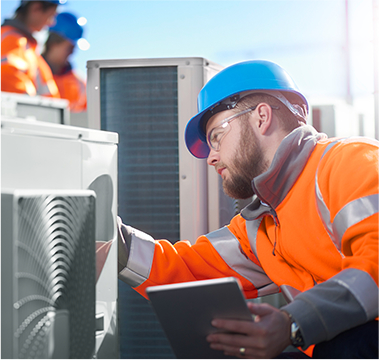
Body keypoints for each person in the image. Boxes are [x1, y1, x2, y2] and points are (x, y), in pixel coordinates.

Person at [99, 60, 378, 358]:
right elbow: (189, 271)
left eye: (216, 138)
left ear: (261, 117)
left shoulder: (351, 163)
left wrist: (292, 322)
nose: (211, 158)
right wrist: (115, 242)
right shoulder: (261, 224)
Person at [1, 0, 61, 98]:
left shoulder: (28, 47)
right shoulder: (12, 39)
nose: (51, 23)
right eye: (51, 16)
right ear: (36, 8)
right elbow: (8, 81)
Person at [41, 11, 87, 112]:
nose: (72, 53)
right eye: (69, 48)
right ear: (53, 43)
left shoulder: (79, 83)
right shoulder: (31, 71)